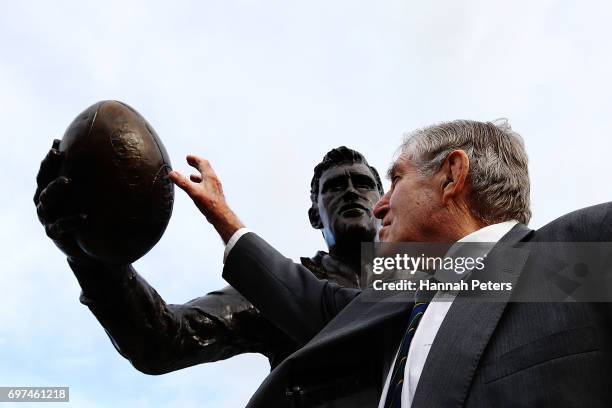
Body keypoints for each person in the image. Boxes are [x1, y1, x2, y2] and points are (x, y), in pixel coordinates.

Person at [170, 119, 612, 407]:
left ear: (452, 176)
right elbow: (305, 298)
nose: (378, 206)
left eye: (395, 179)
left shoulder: (576, 258)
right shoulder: (397, 307)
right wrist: (225, 220)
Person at [34, 144, 383, 372]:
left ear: (384, 205)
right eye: (335, 187)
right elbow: (162, 339)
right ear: (315, 216)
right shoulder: (278, 290)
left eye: (362, 183)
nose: (351, 190)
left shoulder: (428, 279)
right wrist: (88, 253)